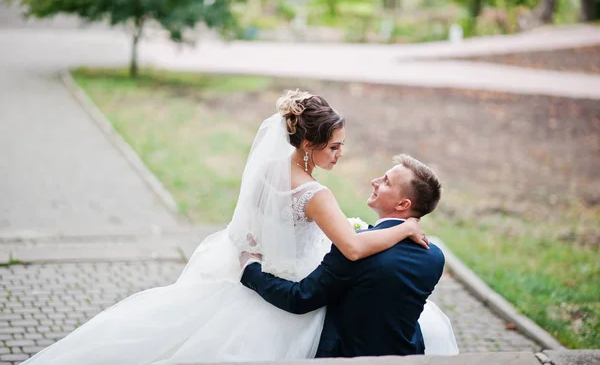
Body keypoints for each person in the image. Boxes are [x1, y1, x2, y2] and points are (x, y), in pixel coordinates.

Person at [22, 90, 434, 365]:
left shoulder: (266, 176)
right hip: (288, 300)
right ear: (308, 145)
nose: (341, 153)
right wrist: (403, 227)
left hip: (247, 278)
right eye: (334, 146)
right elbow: (355, 249)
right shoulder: (315, 195)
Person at [240, 154, 459, 357]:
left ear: (403, 204)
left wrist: (251, 267)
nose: (374, 181)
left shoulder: (356, 250)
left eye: (386, 182)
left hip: (350, 358)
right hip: (408, 355)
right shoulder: (435, 257)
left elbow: (299, 298)